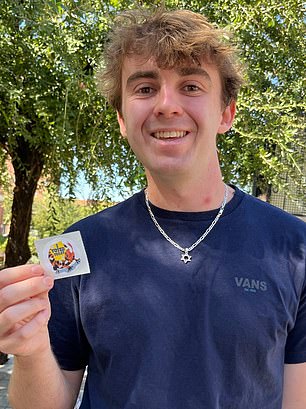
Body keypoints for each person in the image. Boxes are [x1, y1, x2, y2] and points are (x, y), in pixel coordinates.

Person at [1, 7, 306, 409]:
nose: (166, 105)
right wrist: (30, 348)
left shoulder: (294, 248)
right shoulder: (75, 249)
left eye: (191, 86)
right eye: (144, 88)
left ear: (226, 113)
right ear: (123, 119)